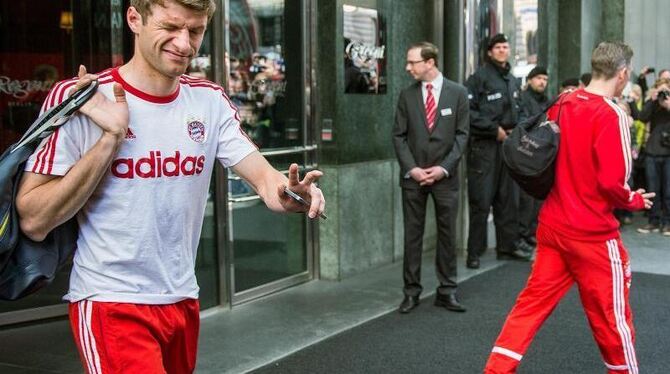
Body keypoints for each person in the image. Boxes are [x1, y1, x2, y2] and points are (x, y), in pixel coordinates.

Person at [15, 1, 325, 373]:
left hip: (181, 298)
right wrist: (109, 138)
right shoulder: (81, 98)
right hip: (111, 300)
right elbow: (33, 218)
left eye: (195, 31)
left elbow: (263, 178)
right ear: (134, 19)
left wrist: (290, 192)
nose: (184, 43)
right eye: (171, 27)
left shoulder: (208, 100)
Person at [484, 41, 654, 374]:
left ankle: (494, 370)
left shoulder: (563, 101)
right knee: (612, 320)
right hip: (592, 236)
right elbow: (611, 183)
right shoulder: (613, 115)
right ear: (622, 74)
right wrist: (634, 199)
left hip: (553, 226)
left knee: (528, 308)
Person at [392, 41, 469, 313]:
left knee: (447, 235)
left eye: (412, 62)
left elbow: (462, 136)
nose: (408, 67)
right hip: (413, 178)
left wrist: (443, 168)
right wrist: (412, 168)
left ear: (430, 62)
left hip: (445, 178)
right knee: (412, 236)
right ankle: (411, 292)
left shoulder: (458, 93)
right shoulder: (406, 95)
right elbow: (398, 136)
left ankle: (447, 290)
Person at [465, 33, 531, 270]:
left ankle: (507, 246)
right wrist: (494, 130)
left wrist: (516, 131)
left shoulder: (512, 80)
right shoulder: (478, 79)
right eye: (498, 47)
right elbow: (468, 112)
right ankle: (474, 251)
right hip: (485, 147)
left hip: (508, 147)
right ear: (490, 52)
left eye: (506, 46)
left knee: (507, 200)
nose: (503, 50)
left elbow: (521, 110)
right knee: (481, 201)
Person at [631, 78, 670, 236]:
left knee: (668, 191)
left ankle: (667, 222)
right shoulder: (653, 103)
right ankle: (653, 221)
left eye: (665, 90)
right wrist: (651, 100)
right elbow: (641, 117)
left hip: (668, 153)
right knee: (653, 190)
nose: (662, 93)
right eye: (659, 90)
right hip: (652, 152)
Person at [517, 66, 550, 250]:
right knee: (524, 199)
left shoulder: (546, 100)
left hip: (541, 155)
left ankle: (531, 233)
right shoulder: (523, 98)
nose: (542, 82)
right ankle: (522, 233)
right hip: (526, 152)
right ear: (529, 80)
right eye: (538, 78)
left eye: (545, 79)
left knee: (537, 200)